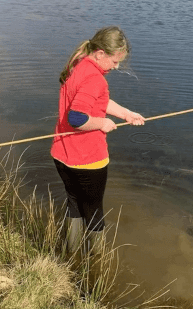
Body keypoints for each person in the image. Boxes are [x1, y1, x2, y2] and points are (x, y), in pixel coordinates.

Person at [51, 26, 145, 256]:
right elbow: (77, 118)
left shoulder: (78, 64)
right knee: (93, 211)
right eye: (114, 61)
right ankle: (98, 263)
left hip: (62, 155)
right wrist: (101, 123)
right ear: (100, 53)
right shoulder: (96, 79)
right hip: (88, 159)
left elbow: (97, 101)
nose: (116, 67)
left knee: (74, 204)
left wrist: (125, 114)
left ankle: (71, 254)